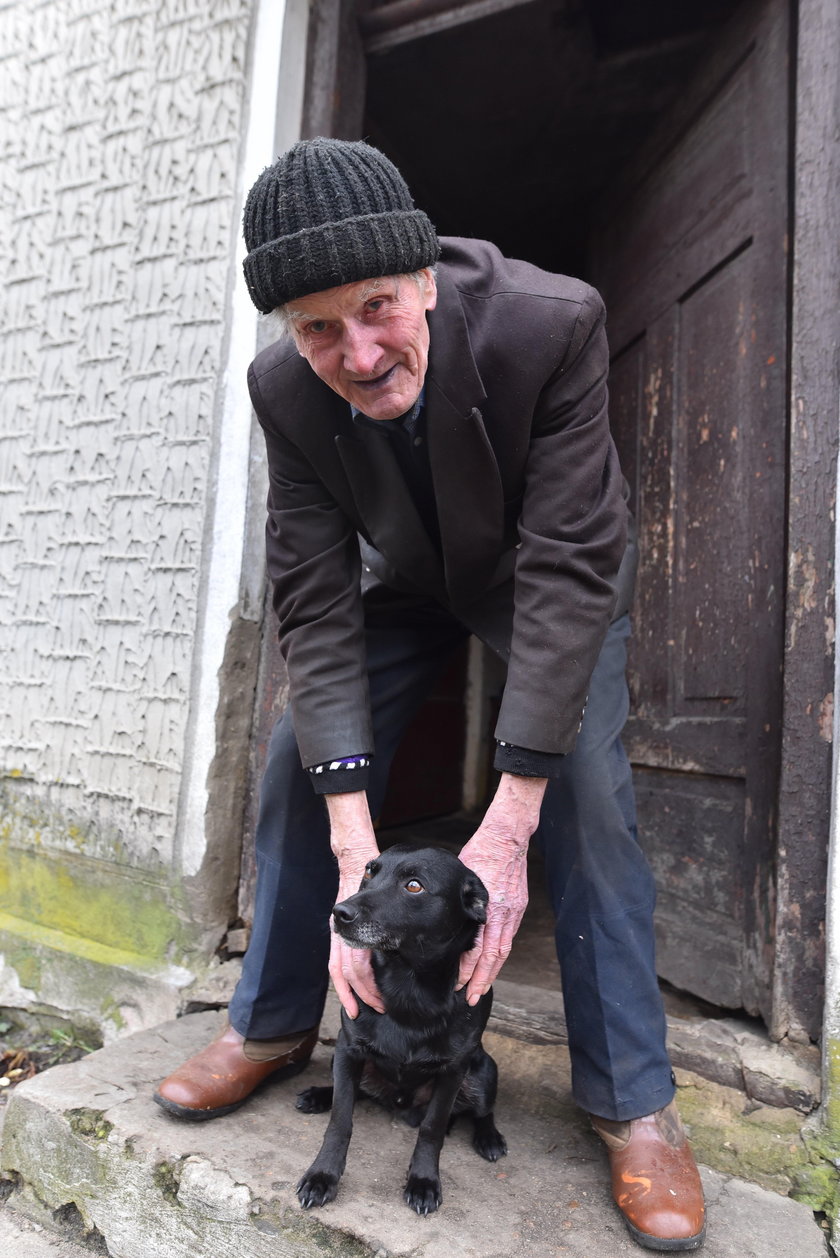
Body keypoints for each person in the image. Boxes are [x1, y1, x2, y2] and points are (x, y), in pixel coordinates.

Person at [155, 138, 705, 1251]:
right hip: (403, 578)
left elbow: (565, 572)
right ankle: (266, 1026)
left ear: (423, 280)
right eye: (316, 328)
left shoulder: (549, 323)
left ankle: (632, 1101)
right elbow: (311, 594)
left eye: (376, 308)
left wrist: (506, 829)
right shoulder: (282, 391)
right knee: (294, 766)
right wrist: (356, 837)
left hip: (546, 578)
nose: (356, 353)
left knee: (586, 796)